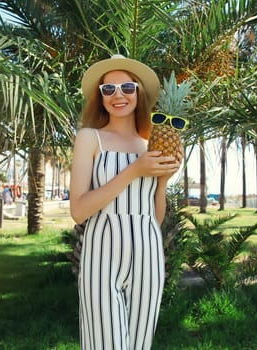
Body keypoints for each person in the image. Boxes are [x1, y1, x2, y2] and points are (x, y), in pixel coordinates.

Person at [69, 54, 181, 350]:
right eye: (109, 90)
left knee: (139, 345)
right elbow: (78, 210)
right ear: (100, 97)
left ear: (139, 92)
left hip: (149, 251)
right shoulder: (90, 138)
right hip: (102, 252)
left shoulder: (151, 143)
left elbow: (154, 218)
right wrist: (135, 170)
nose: (118, 96)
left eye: (127, 88)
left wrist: (163, 181)